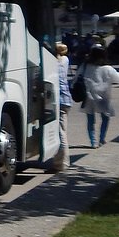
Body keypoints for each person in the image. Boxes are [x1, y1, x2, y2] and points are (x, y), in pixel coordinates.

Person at [79, 45, 119, 149]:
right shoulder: (108, 69)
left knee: (90, 119)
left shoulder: (85, 66)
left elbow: (76, 78)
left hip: (88, 96)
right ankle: (101, 139)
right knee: (105, 118)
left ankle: (93, 142)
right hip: (103, 97)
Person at [49, 42, 72, 171]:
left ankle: (62, 163)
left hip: (60, 100)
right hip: (66, 99)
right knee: (62, 131)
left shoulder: (55, 63)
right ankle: (60, 161)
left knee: (60, 133)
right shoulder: (65, 60)